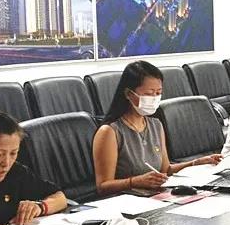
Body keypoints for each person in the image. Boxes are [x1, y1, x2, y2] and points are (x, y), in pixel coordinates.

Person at [92, 61, 222, 195]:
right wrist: (134, 182)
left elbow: (165, 169)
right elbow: (102, 186)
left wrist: (196, 162)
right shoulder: (109, 132)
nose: (154, 98)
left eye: (158, 93)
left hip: (156, 196)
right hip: (128, 199)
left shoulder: (156, 125)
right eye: (149, 93)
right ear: (128, 94)